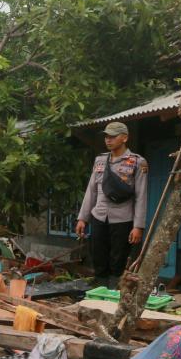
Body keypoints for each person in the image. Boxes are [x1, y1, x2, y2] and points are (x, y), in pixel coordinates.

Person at [75, 122, 147, 287]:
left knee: (118, 257)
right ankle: (99, 288)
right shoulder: (100, 160)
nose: (108, 140)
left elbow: (141, 196)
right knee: (98, 254)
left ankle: (115, 288)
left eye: (113, 136)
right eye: (107, 136)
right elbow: (91, 191)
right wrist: (82, 218)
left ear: (125, 138)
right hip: (99, 215)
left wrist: (138, 226)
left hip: (122, 218)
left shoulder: (137, 162)